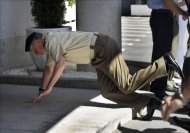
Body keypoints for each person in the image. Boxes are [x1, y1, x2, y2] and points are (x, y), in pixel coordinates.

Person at [25, 31, 183, 121]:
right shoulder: (51, 47)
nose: (36, 53)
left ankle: (163, 64)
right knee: (108, 91)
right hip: (98, 57)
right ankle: (148, 103)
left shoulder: (51, 40)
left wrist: (50, 88)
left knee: (126, 84)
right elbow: (48, 70)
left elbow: (61, 64)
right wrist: (41, 90)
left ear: (38, 41)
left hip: (102, 48)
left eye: (34, 49)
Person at [147, 0, 188, 101]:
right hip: (162, 16)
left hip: (161, 15)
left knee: (161, 53)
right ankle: (158, 90)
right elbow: (168, 3)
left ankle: (157, 88)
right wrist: (184, 13)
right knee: (162, 55)